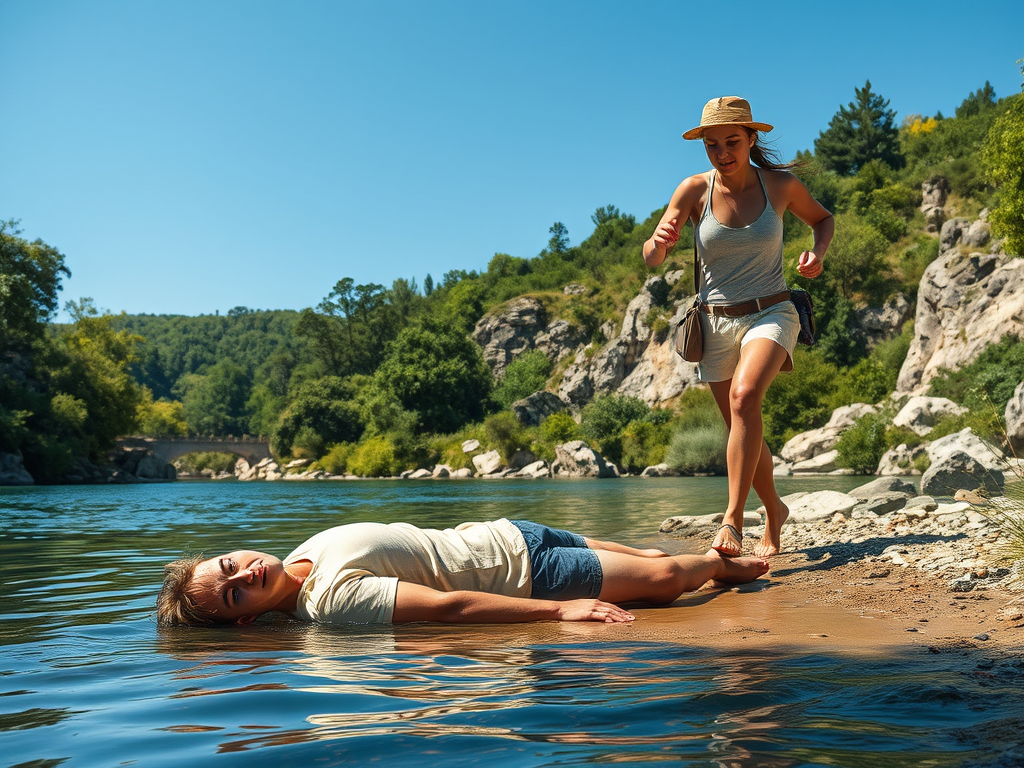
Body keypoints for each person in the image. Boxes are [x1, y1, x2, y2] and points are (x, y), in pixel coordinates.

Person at [642, 96, 834, 558]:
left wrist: (817, 254)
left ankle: (731, 519)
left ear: (751, 138)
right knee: (741, 428)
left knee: (745, 398)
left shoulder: (781, 186)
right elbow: (651, 257)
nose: (722, 152)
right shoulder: (692, 190)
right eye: (712, 145)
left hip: (771, 312)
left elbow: (822, 219)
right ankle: (775, 511)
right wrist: (658, 242)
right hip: (714, 324)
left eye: (732, 141)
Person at [157, 518, 770, 626]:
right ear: (244, 622)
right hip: (530, 575)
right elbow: (447, 607)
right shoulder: (329, 603)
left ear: (230, 552)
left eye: (230, 567)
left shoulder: (302, 553)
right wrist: (559, 610)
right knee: (668, 581)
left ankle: (706, 564)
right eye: (235, 595)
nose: (244, 577)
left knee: (656, 564)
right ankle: (721, 566)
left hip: (508, 534)